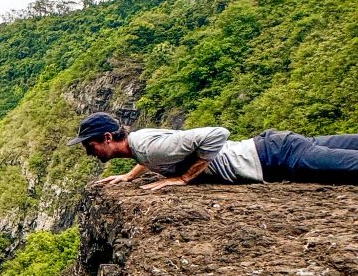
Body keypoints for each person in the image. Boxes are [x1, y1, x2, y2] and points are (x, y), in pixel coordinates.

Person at [67, 113, 358, 190]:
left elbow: (216, 134)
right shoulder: (140, 144)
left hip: (277, 158)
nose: (88, 152)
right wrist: (129, 177)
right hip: (272, 147)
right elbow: (156, 156)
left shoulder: (147, 146)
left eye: (89, 146)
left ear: (106, 138)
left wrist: (184, 179)